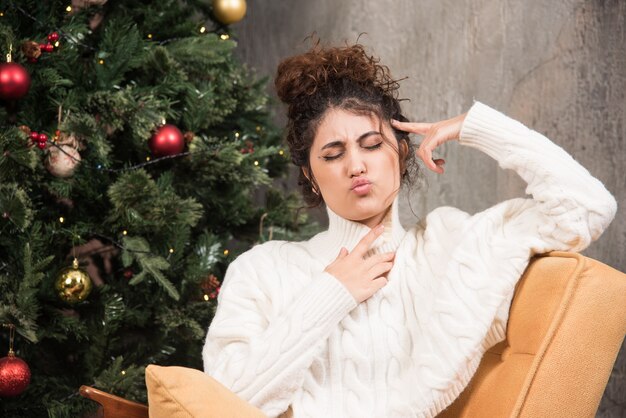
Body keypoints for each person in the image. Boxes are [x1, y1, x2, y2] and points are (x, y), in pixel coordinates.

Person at [202, 42, 617, 418]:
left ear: (400, 151)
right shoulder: (262, 270)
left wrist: (475, 127)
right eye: (332, 154)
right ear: (311, 177)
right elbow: (226, 401)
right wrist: (330, 294)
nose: (356, 166)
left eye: (371, 144)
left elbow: (587, 206)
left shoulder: (449, 245)